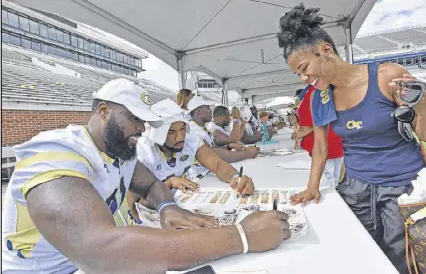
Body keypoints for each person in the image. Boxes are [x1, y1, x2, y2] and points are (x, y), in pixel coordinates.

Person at [1, 79, 291, 274]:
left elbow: (150, 182)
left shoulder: (118, 150)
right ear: (103, 111)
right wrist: (241, 236)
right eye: (134, 119)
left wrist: (168, 207)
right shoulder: (55, 156)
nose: (141, 128)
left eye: (144, 121)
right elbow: (100, 251)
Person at [278, 4, 426, 273]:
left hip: (403, 187)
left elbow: (423, 133)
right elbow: (321, 147)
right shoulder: (318, 98)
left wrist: (421, 104)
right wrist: (312, 187)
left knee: (405, 261)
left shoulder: (386, 76)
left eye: (304, 68)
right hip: (356, 188)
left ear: (325, 50)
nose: (303, 78)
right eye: (297, 74)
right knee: (357, 252)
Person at [128, 99, 257, 221]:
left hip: (178, 204)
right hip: (154, 217)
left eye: (183, 129)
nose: (180, 137)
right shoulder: (141, 153)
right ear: (157, 134)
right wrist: (167, 184)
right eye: (171, 132)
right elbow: (136, 211)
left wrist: (234, 177)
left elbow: (217, 164)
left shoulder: (189, 139)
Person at [186, 96, 259, 179]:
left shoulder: (201, 128)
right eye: (207, 108)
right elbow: (215, 153)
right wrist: (248, 153)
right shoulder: (193, 130)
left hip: (209, 173)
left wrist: (229, 146)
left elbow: (213, 147)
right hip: (201, 177)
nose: (211, 111)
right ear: (198, 111)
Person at [295, 84, 344, 188]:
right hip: (337, 141)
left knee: (327, 179)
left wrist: (298, 134)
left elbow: (311, 124)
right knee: (335, 177)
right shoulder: (333, 88)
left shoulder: (316, 93)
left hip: (323, 145)